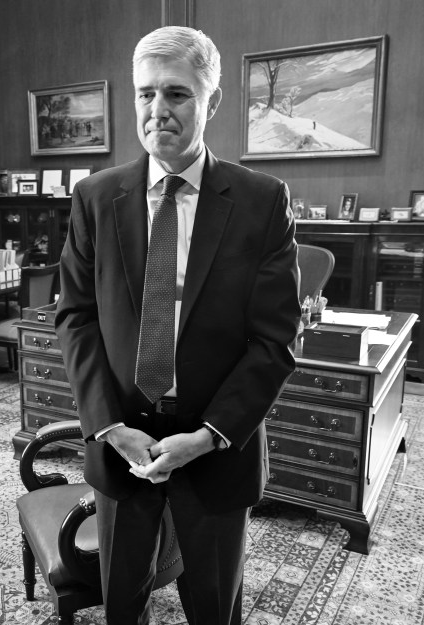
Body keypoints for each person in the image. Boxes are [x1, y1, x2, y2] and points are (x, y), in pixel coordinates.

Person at [55, 26, 300, 625]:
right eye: (145, 94)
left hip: (215, 452)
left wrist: (210, 435)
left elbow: (275, 340)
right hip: (123, 448)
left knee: (214, 607)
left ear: (211, 102)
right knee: (121, 604)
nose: (157, 111)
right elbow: (76, 317)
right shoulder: (94, 197)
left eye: (177, 94)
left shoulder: (262, 200)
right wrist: (109, 426)